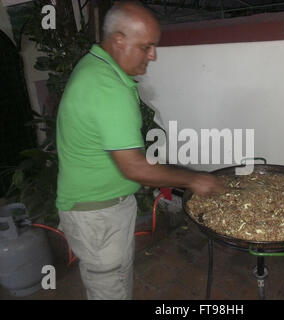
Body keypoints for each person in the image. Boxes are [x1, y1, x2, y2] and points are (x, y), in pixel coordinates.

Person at [56, 1, 224, 300]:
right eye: (146, 46)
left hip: (99, 209)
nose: (153, 55)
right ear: (119, 39)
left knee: (114, 278)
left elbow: (117, 151)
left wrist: (155, 173)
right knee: (110, 286)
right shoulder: (107, 88)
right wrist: (195, 180)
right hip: (98, 214)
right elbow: (133, 167)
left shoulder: (96, 66)